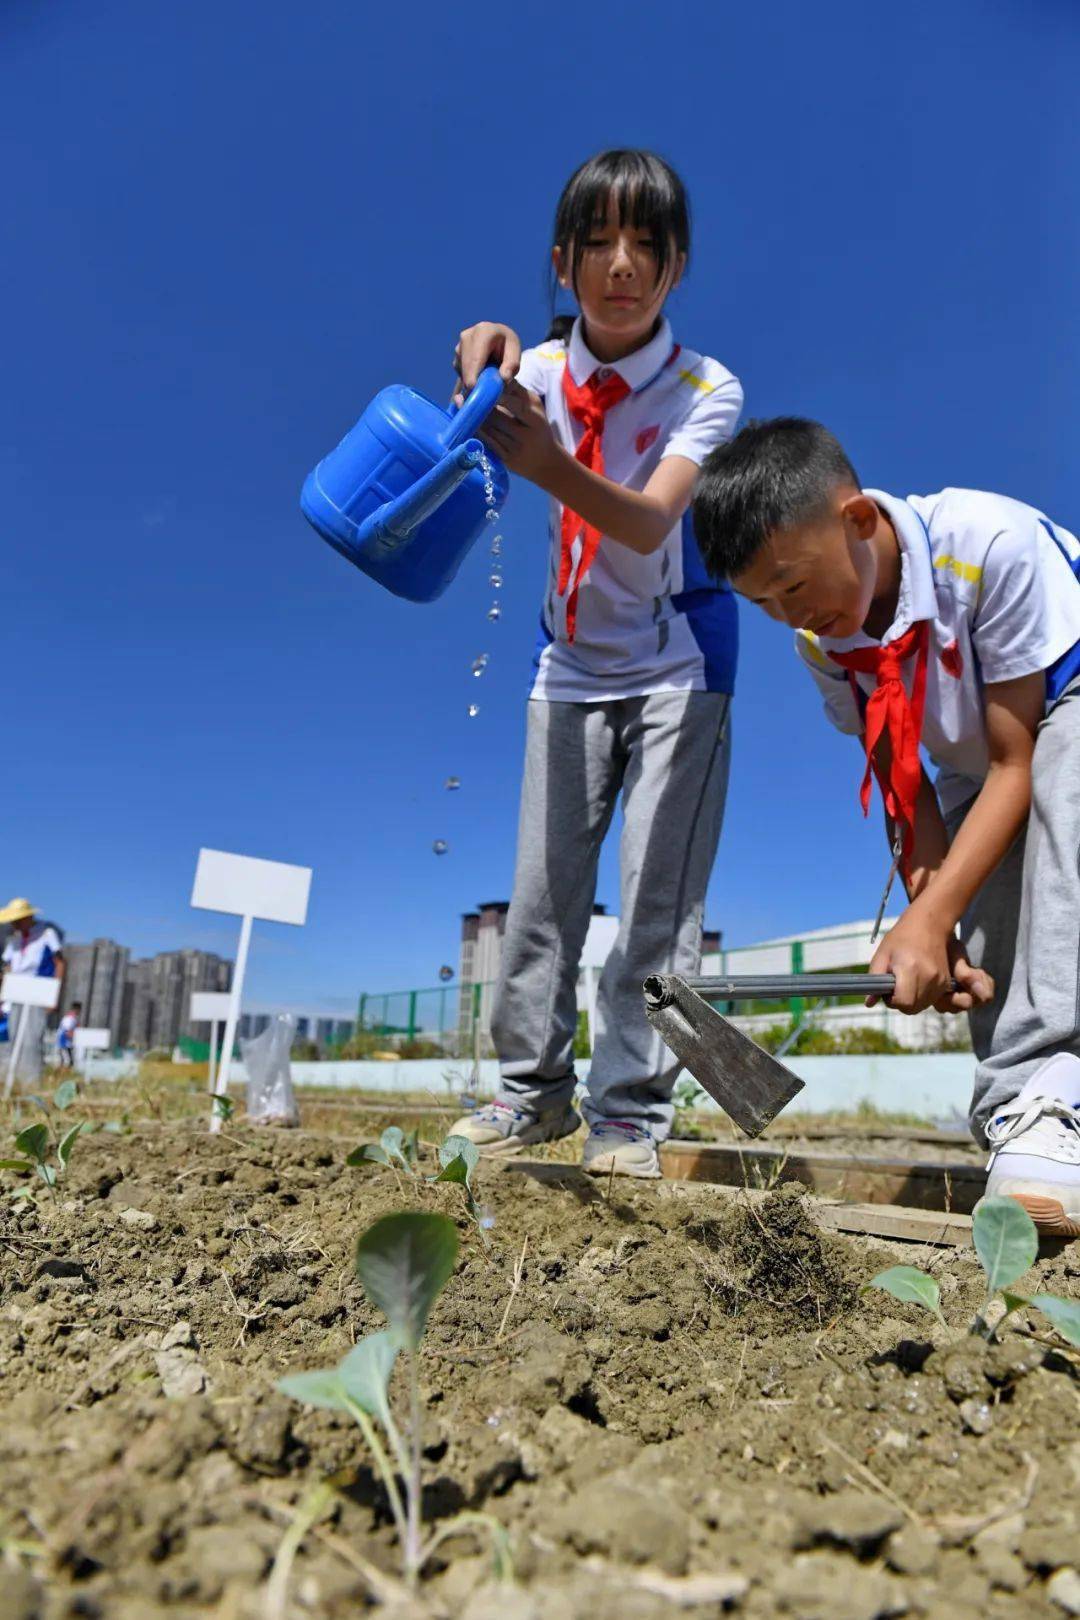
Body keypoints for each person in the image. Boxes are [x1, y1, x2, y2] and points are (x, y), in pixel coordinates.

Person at [692, 417, 1080, 1235]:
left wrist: (928, 918)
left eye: (791, 586)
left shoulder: (987, 545)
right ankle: (1023, 1112)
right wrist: (930, 930)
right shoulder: (825, 644)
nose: (782, 614)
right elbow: (904, 783)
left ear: (857, 520)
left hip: (1060, 722)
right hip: (982, 767)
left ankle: (1061, 1088)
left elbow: (1022, 758)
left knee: (1061, 785)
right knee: (983, 927)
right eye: (759, 602)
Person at [449, 149, 743, 1177]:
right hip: (566, 666)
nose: (623, 263)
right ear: (564, 260)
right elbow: (467, 396)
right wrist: (472, 354)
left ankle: (631, 1114)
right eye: (600, 242)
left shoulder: (707, 386)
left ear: (676, 266)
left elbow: (648, 522)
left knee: (657, 907)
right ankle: (530, 1096)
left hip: (679, 669)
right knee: (540, 897)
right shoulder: (533, 372)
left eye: (647, 245)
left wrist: (550, 464)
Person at [0, 897, 66, 1083]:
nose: (15, 923)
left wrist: (54, 995)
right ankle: (11, 1080)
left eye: (18, 919)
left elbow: (59, 962)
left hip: (38, 991)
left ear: (28, 917)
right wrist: (3, 995)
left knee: (32, 1038)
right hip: (16, 992)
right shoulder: (14, 939)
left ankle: (30, 1082)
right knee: (12, 1036)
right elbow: (8, 968)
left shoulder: (46, 934)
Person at [57, 1001, 81, 1068]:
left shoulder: (73, 1018)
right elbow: (67, 1031)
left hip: (67, 1043)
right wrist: (76, 1040)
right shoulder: (69, 1018)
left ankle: (63, 1075)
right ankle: (61, 1076)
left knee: (69, 1062)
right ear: (76, 1009)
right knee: (66, 1061)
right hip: (64, 1043)